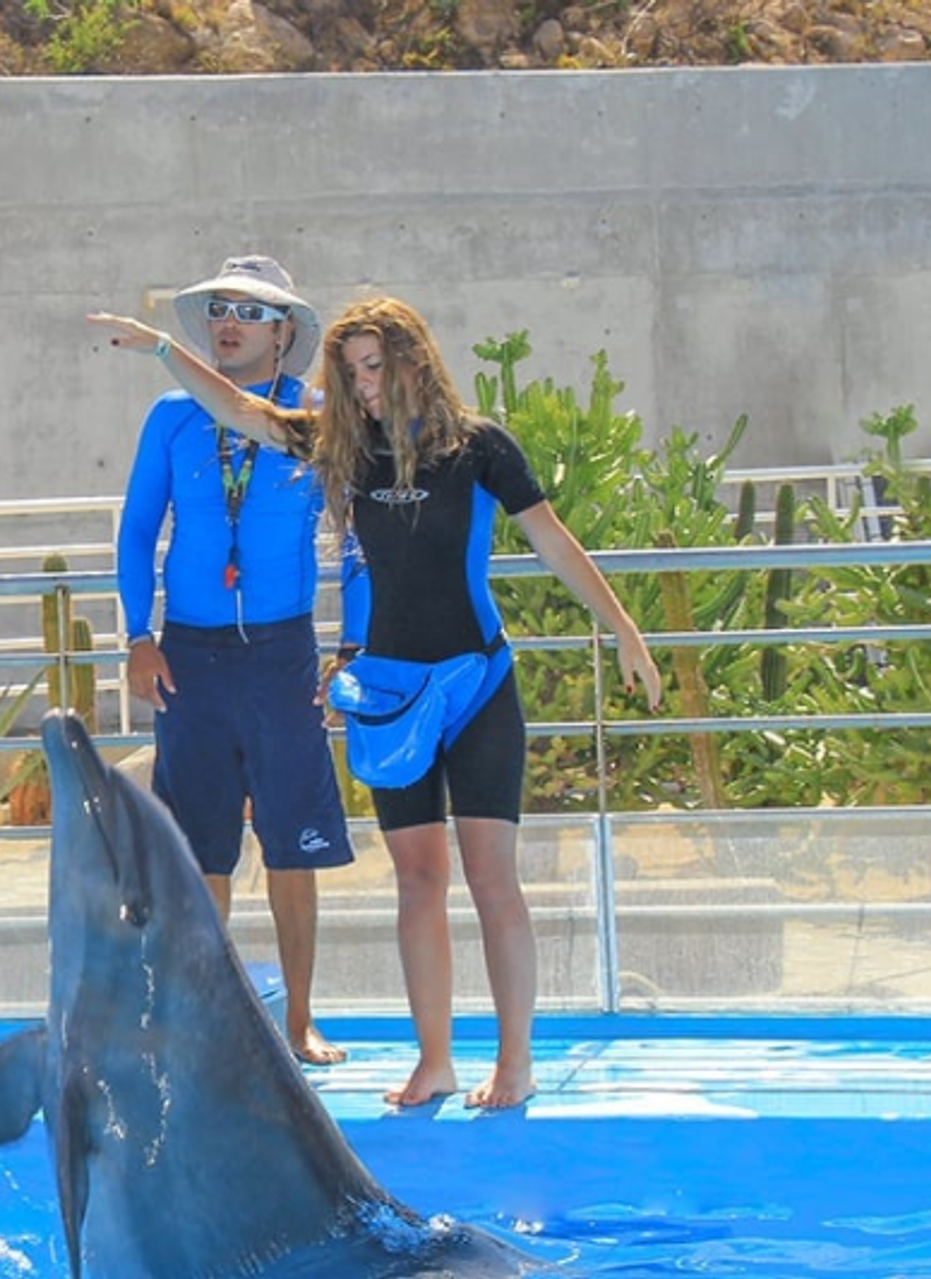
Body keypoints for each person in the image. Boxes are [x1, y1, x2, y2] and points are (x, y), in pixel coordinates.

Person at [89, 296, 662, 1109]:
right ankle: (435, 1061)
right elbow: (241, 409)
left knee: (492, 876)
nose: (361, 385)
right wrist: (158, 351)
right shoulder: (345, 452)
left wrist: (624, 631)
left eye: (374, 367)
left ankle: (515, 1063)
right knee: (417, 879)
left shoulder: (481, 447)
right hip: (392, 695)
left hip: (476, 683)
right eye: (350, 371)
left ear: (414, 361)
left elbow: (553, 540)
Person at [116, 255, 368, 1066]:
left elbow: (357, 540)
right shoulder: (171, 416)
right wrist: (136, 635)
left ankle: (297, 1019)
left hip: (281, 655)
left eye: (250, 311)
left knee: (294, 848)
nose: (229, 321)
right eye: (219, 307)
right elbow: (135, 532)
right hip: (190, 654)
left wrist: (351, 647)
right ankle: (205, 1024)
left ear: (285, 331)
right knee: (199, 852)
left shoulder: (317, 416)